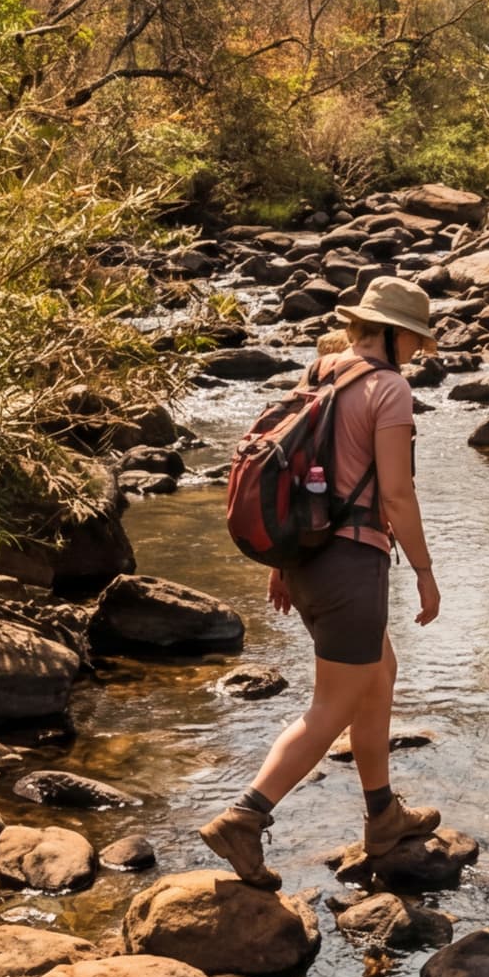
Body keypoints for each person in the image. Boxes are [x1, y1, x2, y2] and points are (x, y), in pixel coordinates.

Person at [199, 278, 449, 887]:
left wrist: (284, 563)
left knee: (378, 674)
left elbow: (300, 465)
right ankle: (245, 817)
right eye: (413, 339)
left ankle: (383, 813)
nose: (416, 350)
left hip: (306, 558)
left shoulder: (322, 371)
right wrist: (424, 571)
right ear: (392, 334)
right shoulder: (388, 388)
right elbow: (394, 492)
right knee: (331, 708)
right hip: (350, 562)